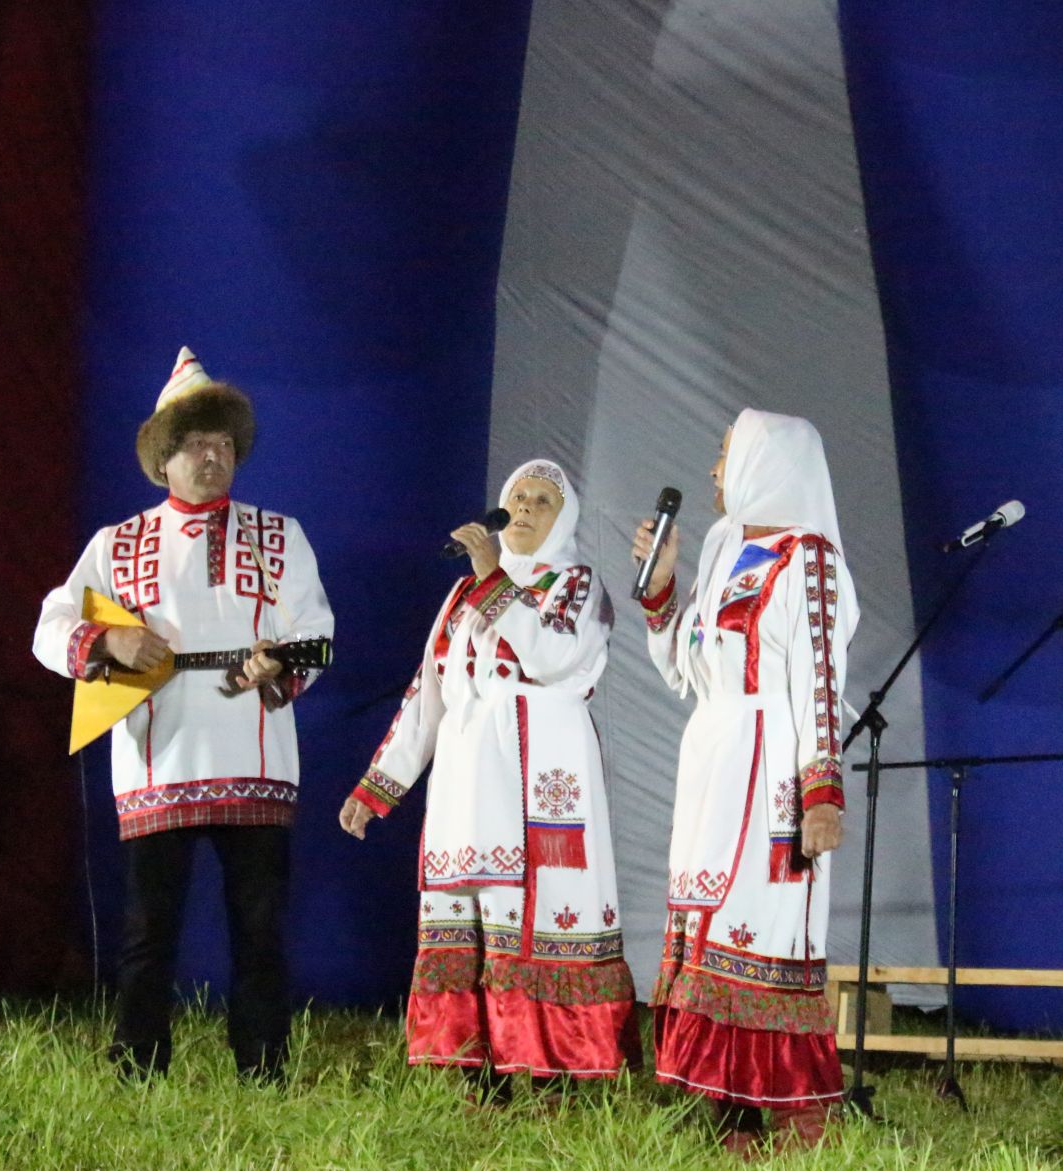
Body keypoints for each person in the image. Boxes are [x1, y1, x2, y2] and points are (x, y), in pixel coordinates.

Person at [33, 348, 333, 1082]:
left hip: (254, 750)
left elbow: (318, 631)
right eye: (198, 445)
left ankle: (263, 1069)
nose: (213, 458)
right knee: (148, 929)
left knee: (259, 929)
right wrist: (109, 639)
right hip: (156, 751)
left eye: (224, 445)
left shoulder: (279, 534)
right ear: (165, 457)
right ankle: (139, 1065)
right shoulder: (117, 543)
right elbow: (48, 628)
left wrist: (281, 660)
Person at [341, 460, 636, 1092]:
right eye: (517, 497)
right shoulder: (460, 596)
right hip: (468, 775)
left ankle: (555, 1069)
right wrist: (378, 788)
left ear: (566, 519)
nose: (525, 509)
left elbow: (552, 654)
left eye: (543, 501)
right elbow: (429, 697)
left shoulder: (577, 584)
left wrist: (493, 581)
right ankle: (478, 1070)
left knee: (536, 910)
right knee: (470, 910)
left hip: (540, 770)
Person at [631, 408, 858, 1153]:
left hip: (772, 767)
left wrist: (822, 790)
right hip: (715, 762)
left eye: (726, 456)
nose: (714, 471)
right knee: (708, 940)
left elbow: (822, 679)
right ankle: (732, 1120)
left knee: (762, 940)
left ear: (768, 464)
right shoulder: (728, 548)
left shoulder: (808, 558)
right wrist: (663, 591)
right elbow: (683, 670)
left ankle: (799, 1118)